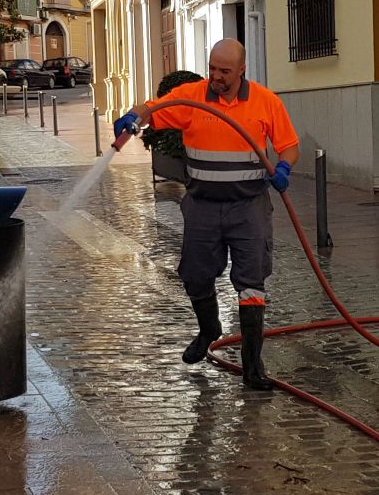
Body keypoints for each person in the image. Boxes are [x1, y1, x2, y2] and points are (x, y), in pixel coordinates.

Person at [114, 40, 300, 391]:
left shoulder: (265, 102)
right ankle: (209, 328)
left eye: (224, 71)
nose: (216, 76)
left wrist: (285, 166)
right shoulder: (192, 97)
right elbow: (152, 109)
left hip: (248, 207)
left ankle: (252, 364)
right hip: (202, 206)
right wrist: (132, 118)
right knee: (195, 276)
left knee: (251, 284)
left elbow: (289, 145)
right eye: (212, 68)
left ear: (242, 70)